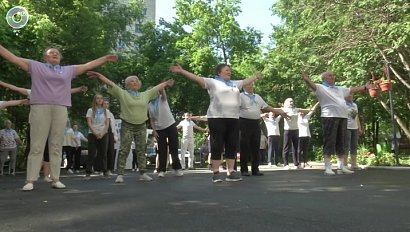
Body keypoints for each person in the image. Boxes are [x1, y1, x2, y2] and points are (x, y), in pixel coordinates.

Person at [0, 44, 117, 191]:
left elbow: (87, 65)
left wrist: (105, 58)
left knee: (56, 144)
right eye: (51, 53)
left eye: (57, 53)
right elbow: (13, 58)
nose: (55, 54)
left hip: (60, 108)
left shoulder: (68, 70)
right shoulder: (36, 66)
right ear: (45, 57)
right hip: (40, 106)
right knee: (37, 144)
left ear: (60, 57)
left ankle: (55, 179)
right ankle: (30, 180)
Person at [170, 63, 263, 183]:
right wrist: (182, 71)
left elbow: (247, 81)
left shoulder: (235, 84)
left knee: (232, 145)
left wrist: (256, 76)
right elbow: (196, 78)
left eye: (230, 70)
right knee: (217, 144)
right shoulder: (212, 82)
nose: (229, 72)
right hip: (217, 117)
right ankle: (216, 173)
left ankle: (231, 172)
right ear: (219, 72)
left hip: (233, 118)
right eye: (227, 70)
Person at [86, 71, 175, 183]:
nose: (134, 82)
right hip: (127, 125)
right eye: (131, 81)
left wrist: (166, 83)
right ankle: (120, 174)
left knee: (141, 150)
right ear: (127, 85)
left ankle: (143, 173)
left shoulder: (145, 94)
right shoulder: (123, 94)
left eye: (136, 81)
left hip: (141, 125)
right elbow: (111, 83)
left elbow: (157, 87)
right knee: (124, 150)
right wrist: (99, 76)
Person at [302, 71, 373, 175]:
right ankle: (327, 168)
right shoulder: (320, 87)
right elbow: (311, 85)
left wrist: (365, 87)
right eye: (330, 75)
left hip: (343, 117)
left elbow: (352, 89)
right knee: (329, 141)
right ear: (324, 78)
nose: (333, 77)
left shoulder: (340, 89)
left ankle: (341, 166)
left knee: (342, 142)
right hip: (329, 117)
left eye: (333, 75)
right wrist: (307, 79)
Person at [239, 82, 288, 176]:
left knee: (255, 145)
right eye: (248, 85)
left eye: (251, 85)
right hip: (244, 122)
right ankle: (244, 169)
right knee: (244, 146)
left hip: (255, 122)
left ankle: (255, 169)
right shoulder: (240, 96)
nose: (250, 86)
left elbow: (266, 106)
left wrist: (279, 112)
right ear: (243, 87)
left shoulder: (257, 96)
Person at [148, 88, 184, 177]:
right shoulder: (149, 105)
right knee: (162, 150)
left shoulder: (161, 99)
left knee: (174, 148)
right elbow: (152, 119)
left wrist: (162, 87)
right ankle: (161, 170)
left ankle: (177, 168)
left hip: (170, 125)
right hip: (159, 129)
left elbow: (163, 94)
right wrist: (154, 130)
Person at [281, 98, 311, 169]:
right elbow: (275, 110)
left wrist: (311, 109)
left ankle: (296, 164)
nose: (292, 102)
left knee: (296, 148)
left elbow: (305, 110)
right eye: (290, 101)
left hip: (296, 130)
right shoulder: (284, 109)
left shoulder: (296, 109)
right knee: (286, 147)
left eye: (292, 101)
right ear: (287, 103)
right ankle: (286, 164)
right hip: (287, 130)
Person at [85, 94, 109, 179]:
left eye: (101, 98)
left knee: (103, 153)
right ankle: (88, 172)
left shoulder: (106, 111)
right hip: (92, 133)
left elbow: (107, 124)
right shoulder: (90, 110)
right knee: (91, 153)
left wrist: (102, 133)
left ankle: (104, 171)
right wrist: (95, 132)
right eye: (97, 98)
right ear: (95, 100)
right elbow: (89, 123)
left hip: (103, 133)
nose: (99, 100)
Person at [297, 102, 320, 168]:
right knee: (299, 150)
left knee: (305, 150)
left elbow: (312, 110)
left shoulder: (306, 117)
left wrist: (317, 103)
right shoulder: (296, 118)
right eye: (300, 112)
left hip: (306, 135)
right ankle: (299, 163)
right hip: (299, 136)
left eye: (302, 112)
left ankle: (305, 163)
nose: (301, 113)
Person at [344, 94, 362, 170]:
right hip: (346, 127)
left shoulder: (355, 105)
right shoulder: (342, 104)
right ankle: (344, 164)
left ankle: (354, 164)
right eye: (349, 95)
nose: (351, 96)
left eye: (352, 95)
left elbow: (357, 117)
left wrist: (359, 128)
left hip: (355, 128)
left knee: (354, 145)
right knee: (346, 146)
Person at [103, 99, 118, 175]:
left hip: (110, 132)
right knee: (103, 151)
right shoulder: (100, 113)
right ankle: (103, 169)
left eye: (107, 104)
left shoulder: (111, 114)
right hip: (102, 132)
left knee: (111, 151)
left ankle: (109, 169)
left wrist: (115, 136)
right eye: (104, 103)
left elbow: (113, 126)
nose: (106, 105)